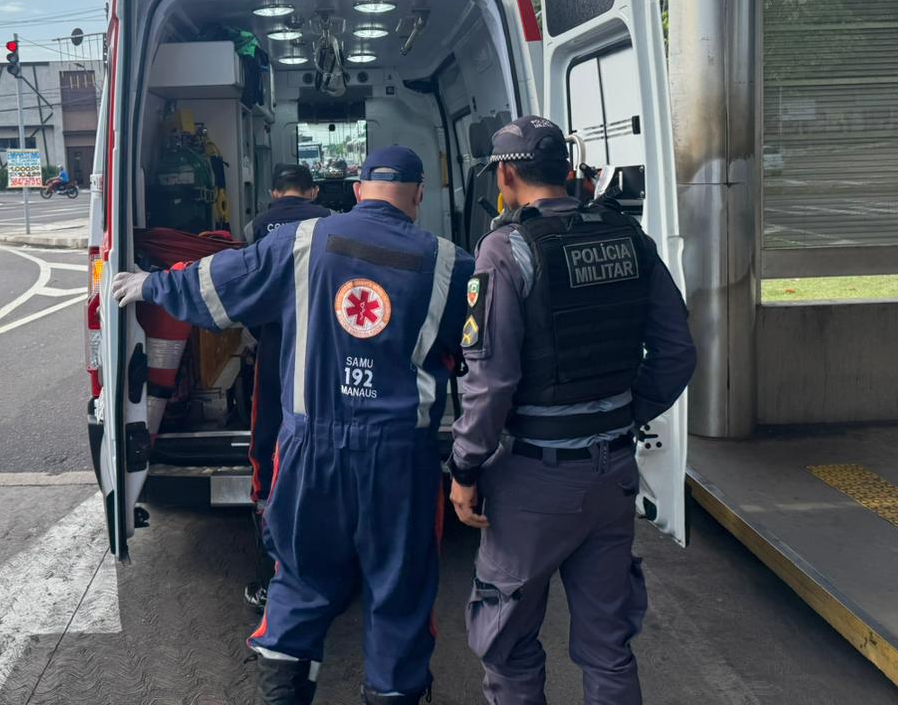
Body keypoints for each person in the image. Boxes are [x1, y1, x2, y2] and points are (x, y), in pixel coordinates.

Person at [113, 145, 474, 705]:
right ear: (420, 195)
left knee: (300, 582)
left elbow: (218, 282)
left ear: (357, 190)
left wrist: (148, 286)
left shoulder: (299, 243)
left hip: (312, 449)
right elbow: (489, 354)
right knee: (399, 593)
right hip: (402, 458)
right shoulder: (452, 263)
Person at [447, 116, 696, 705]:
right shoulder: (629, 236)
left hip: (534, 480)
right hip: (612, 471)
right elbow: (677, 351)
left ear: (505, 175)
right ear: (567, 169)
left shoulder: (505, 249)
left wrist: (464, 468)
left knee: (507, 644)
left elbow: (492, 380)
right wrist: (627, 410)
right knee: (609, 647)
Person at [241, 164, 333, 611]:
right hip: (321, 349)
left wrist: (260, 336)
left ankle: (271, 564)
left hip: (275, 346)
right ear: (312, 190)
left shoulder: (258, 224)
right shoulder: (333, 221)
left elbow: (245, 286)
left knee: (268, 439)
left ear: (274, 191)